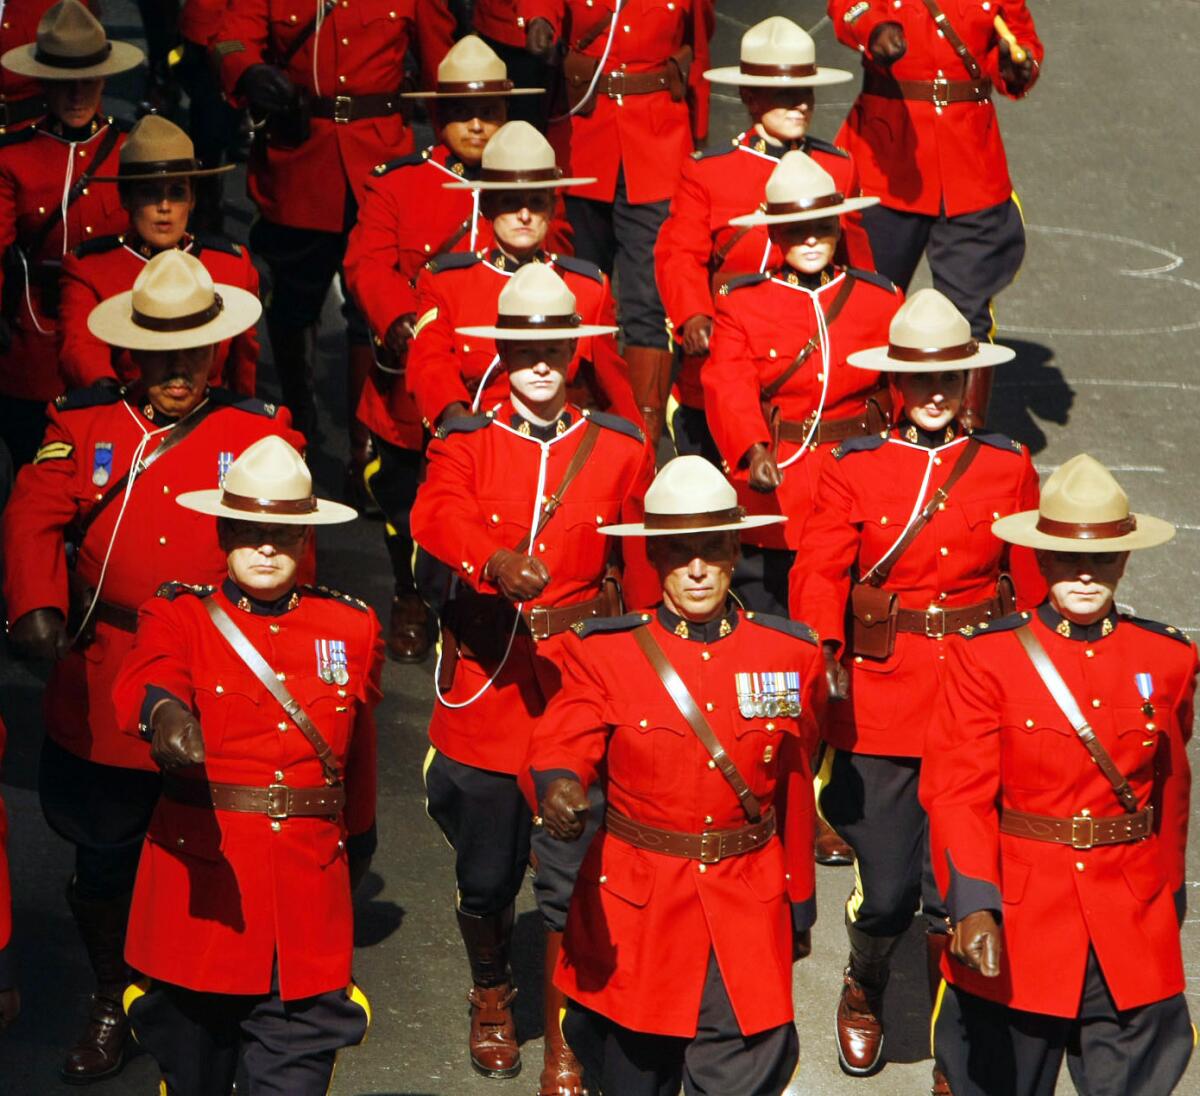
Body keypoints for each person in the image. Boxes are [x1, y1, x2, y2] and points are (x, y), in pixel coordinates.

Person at [1, 249, 301, 1083]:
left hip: (218, 677)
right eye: (161, 352)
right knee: (104, 853)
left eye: (192, 352)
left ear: (216, 351)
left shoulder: (258, 435)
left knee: (216, 853)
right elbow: (33, 510)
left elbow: (293, 557)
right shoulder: (86, 426)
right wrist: (34, 604)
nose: (177, 370)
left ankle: (204, 1005)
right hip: (108, 672)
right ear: (135, 353)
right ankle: (111, 996)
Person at [410, 262, 654, 1095]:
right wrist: (491, 557)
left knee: (570, 873)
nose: (540, 365)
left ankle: (562, 1040)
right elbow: (434, 513)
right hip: (491, 682)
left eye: (555, 348)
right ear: (502, 358)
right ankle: (490, 992)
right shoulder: (467, 440)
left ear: (575, 354)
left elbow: (643, 568)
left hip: (578, 688)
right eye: (523, 352)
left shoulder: (621, 447)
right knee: (485, 875)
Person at [789, 289, 1042, 1090]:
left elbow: (1029, 585)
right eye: (919, 377)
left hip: (975, 698)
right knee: (891, 890)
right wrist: (825, 648)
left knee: (959, 891)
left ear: (969, 380)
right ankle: (864, 979)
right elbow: (819, 568)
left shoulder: (1008, 466)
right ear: (894, 383)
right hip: (884, 699)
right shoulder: (853, 466)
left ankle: (954, 1048)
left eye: (951, 376)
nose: (935, 392)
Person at [528, 454, 825, 1095]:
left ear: (736, 549)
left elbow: (795, 787)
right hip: (642, 915)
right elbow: (565, 736)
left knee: (746, 1072)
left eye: (712, 550)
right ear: (655, 558)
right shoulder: (604, 652)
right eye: (680, 552)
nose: (697, 569)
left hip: (746, 906)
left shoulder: (789, 653)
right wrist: (560, 785)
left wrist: (798, 901)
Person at [113, 435, 382, 1096]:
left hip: (306, 907)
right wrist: (167, 717)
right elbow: (149, 679)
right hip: (203, 905)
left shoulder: (350, 626)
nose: (266, 547)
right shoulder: (179, 615)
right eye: (249, 530)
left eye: (283, 534)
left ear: (305, 539)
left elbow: (361, 762)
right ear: (224, 532)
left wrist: (356, 849)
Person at [921, 455, 1195, 1096]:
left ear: (1124, 561)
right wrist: (973, 904)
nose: (1084, 573)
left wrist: (1166, 896)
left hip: (1129, 921)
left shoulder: (1169, 657)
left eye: (1101, 559)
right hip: (1020, 921)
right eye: (1067, 558)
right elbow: (958, 794)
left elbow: (1172, 793)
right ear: (1040, 561)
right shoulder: (985, 657)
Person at [343, 34, 544, 663]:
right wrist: (402, 318)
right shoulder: (400, 185)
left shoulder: (532, 181)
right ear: (436, 116)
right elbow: (367, 265)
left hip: (504, 380)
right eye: (461, 111)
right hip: (415, 377)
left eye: (490, 110)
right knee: (407, 503)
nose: (478, 124)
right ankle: (409, 595)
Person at [210, 0, 454, 472]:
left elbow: (440, 66)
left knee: (377, 309)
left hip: (381, 161)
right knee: (296, 300)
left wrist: (453, 160)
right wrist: (249, 73)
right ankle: (297, 424)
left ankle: (367, 450)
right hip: (303, 162)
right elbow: (229, 38)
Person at [656, 15, 869, 464]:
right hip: (723, 352)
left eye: (805, 93)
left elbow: (857, 270)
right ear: (750, 99)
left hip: (802, 367)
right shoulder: (709, 170)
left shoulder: (838, 169)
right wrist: (693, 316)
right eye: (783, 95)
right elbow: (680, 254)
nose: (799, 106)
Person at [828, 0, 1044, 426]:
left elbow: (1023, 48)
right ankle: (865, 426)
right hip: (889, 166)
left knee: (968, 316)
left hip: (970, 168)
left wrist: (1019, 68)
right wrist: (873, 31)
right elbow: (845, 8)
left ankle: (965, 440)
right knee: (870, 302)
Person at [703, 151, 899, 616]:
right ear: (774, 234)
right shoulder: (742, 303)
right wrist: (753, 450)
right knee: (770, 619)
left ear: (838, 229)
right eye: (796, 230)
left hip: (858, 476)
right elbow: (728, 383)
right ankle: (781, 695)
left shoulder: (879, 299)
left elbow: (903, 386)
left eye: (823, 228)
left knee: (855, 613)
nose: (811, 240)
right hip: (779, 477)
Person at [523, 0, 715, 450]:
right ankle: (582, 414)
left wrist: (699, 137)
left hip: (660, 143)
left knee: (648, 300)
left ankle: (642, 437)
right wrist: (538, 23)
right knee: (581, 291)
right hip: (585, 137)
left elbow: (699, 48)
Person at [406, 120, 637, 433]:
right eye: (511, 203)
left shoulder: (587, 288)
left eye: (537, 202)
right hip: (473, 445)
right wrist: (458, 426)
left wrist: (638, 460)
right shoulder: (447, 282)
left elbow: (616, 395)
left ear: (553, 208)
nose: (525, 215)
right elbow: (429, 364)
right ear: (487, 206)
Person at [0, 0, 141, 466]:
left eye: (88, 81)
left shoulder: (130, 152)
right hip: (35, 345)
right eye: (65, 83)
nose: (78, 95)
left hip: (118, 344)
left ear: (105, 80)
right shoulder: (11, 158)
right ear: (44, 83)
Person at [58, 114, 259, 395]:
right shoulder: (90, 270)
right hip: (127, 416)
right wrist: (112, 406)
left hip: (208, 422)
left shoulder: (231, 266)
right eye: (149, 193)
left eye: (177, 193)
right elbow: (81, 350)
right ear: (125, 199)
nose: (164, 206)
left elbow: (242, 370)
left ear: (192, 200)